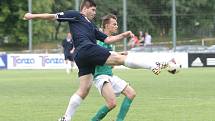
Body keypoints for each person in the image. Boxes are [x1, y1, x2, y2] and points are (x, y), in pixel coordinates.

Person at [23, 0, 170, 120]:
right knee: (120, 59)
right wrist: (32, 16)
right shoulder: (76, 15)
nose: (95, 13)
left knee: (83, 90)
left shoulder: (92, 26)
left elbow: (108, 38)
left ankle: (65, 118)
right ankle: (152, 65)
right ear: (85, 8)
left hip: (81, 57)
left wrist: (123, 35)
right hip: (86, 49)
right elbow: (52, 16)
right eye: (93, 10)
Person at [91, 14, 136, 121]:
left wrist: (119, 55)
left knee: (131, 93)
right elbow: (99, 57)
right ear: (106, 26)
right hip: (100, 76)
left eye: (117, 24)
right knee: (111, 103)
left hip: (109, 75)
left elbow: (107, 56)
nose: (116, 26)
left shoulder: (108, 40)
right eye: (114, 24)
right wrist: (118, 57)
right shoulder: (100, 40)